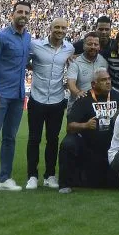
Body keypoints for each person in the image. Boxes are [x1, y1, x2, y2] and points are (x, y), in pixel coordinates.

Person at [0, 1, 33, 195]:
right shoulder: (0, 37)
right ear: (13, 14)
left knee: (10, 138)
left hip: (18, 96)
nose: (23, 15)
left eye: (26, 13)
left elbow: (26, 63)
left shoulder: (27, 38)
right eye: (20, 11)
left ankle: (5, 179)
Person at [25, 16, 73, 191]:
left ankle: (50, 175)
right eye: (57, 27)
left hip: (57, 100)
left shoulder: (69, 48)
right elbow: (25, 61)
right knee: (34, 139)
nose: (60, 31)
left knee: (53, 139)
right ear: (50, 29)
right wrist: (34, 68)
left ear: (66, 30)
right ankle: (31, 176)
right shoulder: (35, 45)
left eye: (63, 28)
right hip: (37, 99)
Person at [58, 69, 119, 193]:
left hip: (111, 147)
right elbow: (70, 126)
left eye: (109, 79)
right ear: (94, 84)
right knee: (68, 144)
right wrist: (85, 125)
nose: (108, 82)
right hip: (89, 147)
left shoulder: (116, 96)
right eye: (103, 80)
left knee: (108, 184)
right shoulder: (84, 99)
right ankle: (65, 184)